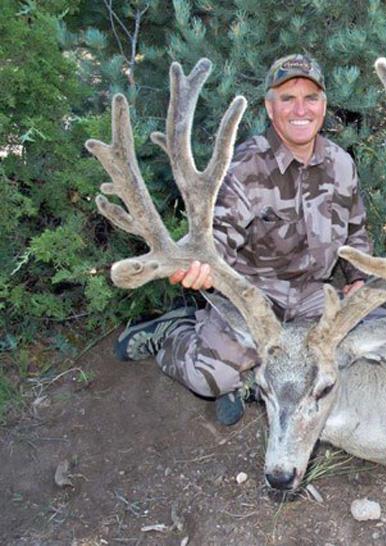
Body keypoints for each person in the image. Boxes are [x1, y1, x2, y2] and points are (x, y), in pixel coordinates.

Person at [114, 54, 371, 425]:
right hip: (252, 297)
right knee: (211, 378)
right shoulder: (246, 167)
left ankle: (253, 381)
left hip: (315, 295)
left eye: (310, 98)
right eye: (287, 98)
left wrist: (358, 277)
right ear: (270, 107)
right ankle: (172, 331)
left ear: (324, 105)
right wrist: (199, 264)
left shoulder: (341, 163)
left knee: (371, 348)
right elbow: (215, 236)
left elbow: (356, 231)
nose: (301, 109)